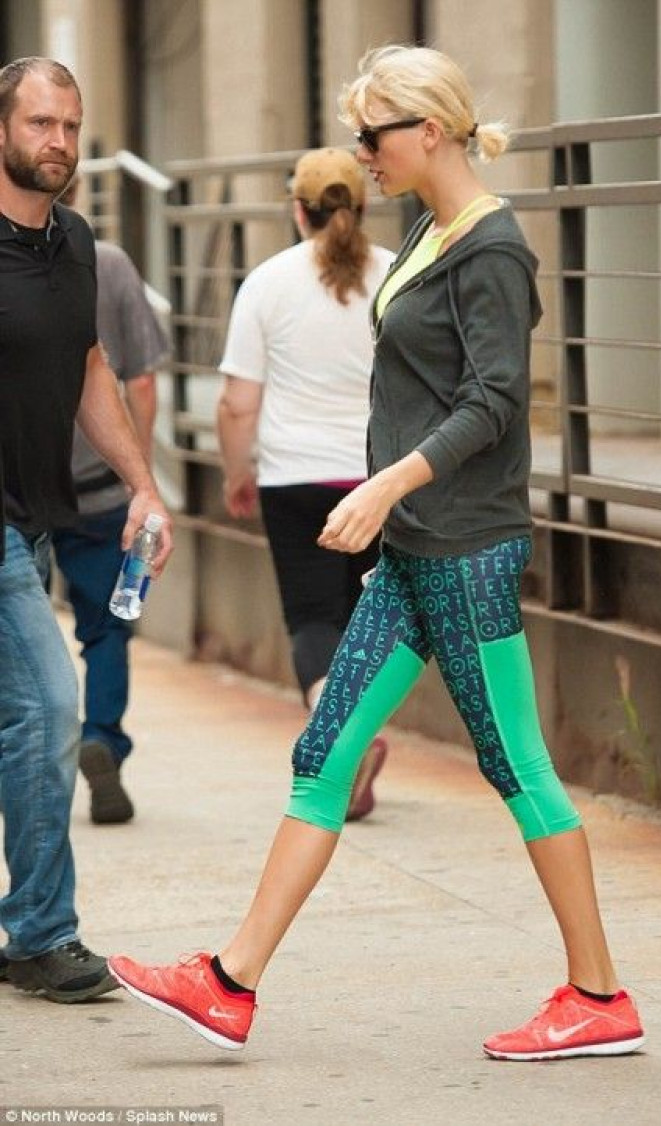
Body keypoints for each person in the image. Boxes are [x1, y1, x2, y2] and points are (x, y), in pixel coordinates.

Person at [108, 45, 644, 1062]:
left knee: (517, 764)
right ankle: (229, 983)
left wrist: (387, 484)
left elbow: (494, 401)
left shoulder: (493, 248)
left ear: (429, 130)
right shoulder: (430, 229)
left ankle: (599, 996)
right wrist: (389, 505)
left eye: (373, 134)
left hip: (466, 549)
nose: (362, 154)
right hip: (410, 553)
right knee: (324, 754)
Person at [0, 56, 172, 1003]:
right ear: (1, 130)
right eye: (39, 123)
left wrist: (144, 485)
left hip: (35, 521)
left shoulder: (74, 243)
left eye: (69, 125)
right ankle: (40, 934)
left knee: (23, 724)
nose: (58, 142)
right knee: (48, 707)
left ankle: (28, 926)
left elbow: (89, 369)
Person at [217, 147, 394, 821]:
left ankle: (338, 732)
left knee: (314, 619)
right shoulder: (395, 275)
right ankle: (359, 734)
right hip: (378, 478)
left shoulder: (267, 282)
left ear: (298, 211)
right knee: (366, 618)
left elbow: (238, 403)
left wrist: (238, 471)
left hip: (294, 478)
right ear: (363, 206)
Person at [52, 176, 169, 826]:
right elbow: (141, 382)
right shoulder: (111, 262)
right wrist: (140, 476)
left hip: (20, 491)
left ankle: (32, 762)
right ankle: (100, 737)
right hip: (100, 488)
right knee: (106, 628)